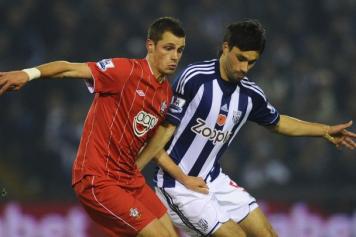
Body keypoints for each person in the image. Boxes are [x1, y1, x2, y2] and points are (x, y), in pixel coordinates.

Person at [135, 19, 356, 237]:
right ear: (225, 48)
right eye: (240, 58)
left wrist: (324, 130)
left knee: (267, 233)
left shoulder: (250, 95)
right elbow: (158, 135)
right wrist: (166, 176)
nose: (244, 68)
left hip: (213, 180)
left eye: (251, 62)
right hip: (177, 186)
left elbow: (278, 123)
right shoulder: (194, 78)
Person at [0, 17, 205, 237]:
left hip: (128, 178)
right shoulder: (124, 71)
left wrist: (184, 179)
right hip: (98, 179)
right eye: (168, 48)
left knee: (172, 235)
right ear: (150, 46)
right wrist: (27, 74)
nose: (175, 56)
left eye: (180, 50)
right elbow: (69, 69)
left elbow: (153, 147)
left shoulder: (165, 93)